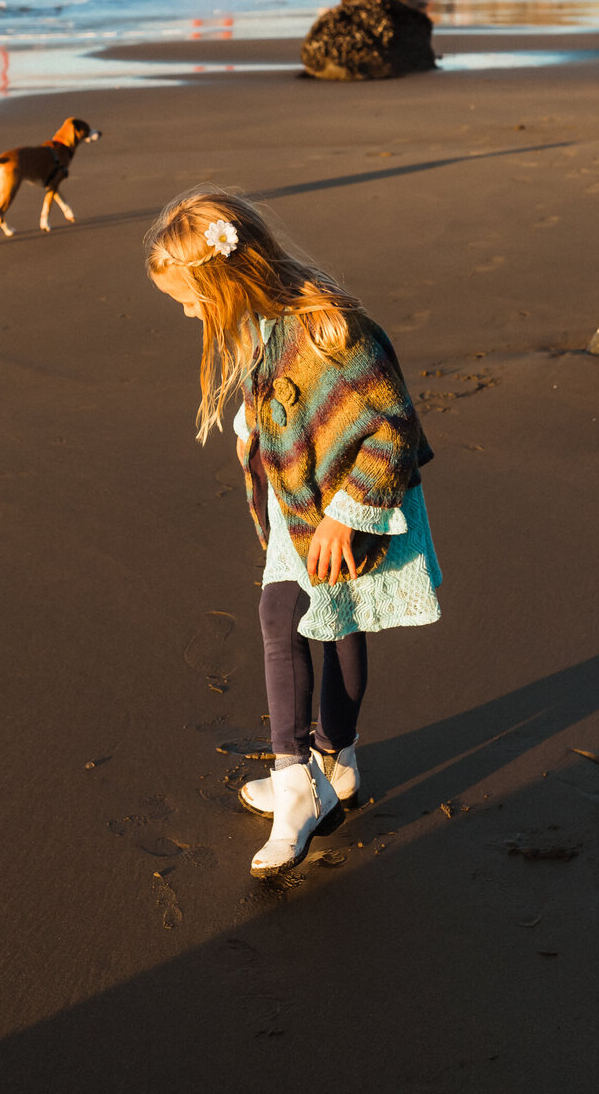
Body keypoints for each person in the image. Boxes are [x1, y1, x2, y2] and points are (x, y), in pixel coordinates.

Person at [146, 187, 442, 878]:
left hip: (344, 512)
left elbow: (395, 428)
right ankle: (335, 768)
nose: (189, 314)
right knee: (316, 622)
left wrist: (350, 514)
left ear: (227, 280)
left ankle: (296, 787)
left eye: (191, 300)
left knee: (298, 621)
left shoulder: (331, 331)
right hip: (296, 509)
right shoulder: (257, 327)